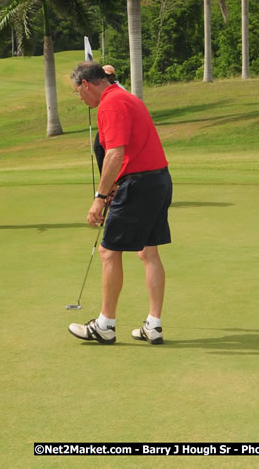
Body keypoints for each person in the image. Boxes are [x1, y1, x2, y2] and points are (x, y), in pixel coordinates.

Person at [68, 61, 173, 345]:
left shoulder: (110, 104)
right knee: (147, 252)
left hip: (140, 184)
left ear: (87, 84)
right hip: (158, 180)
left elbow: (115, 153)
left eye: (78, 92)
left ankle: (105, 325)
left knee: (108, 252)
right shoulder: (126, 97)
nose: (80, 98)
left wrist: (99, 198)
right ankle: (154, 325)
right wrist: (115, 184)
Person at [92, 65, 126, 173]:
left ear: (112, 76)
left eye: (107, 75)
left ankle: (109, 178)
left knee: (104, 147)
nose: (104, 78)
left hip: (118, 124)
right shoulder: (106, 89)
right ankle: (106, 177)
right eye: (103, 75)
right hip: (110, 123)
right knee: (98, 147)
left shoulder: (119, 89)